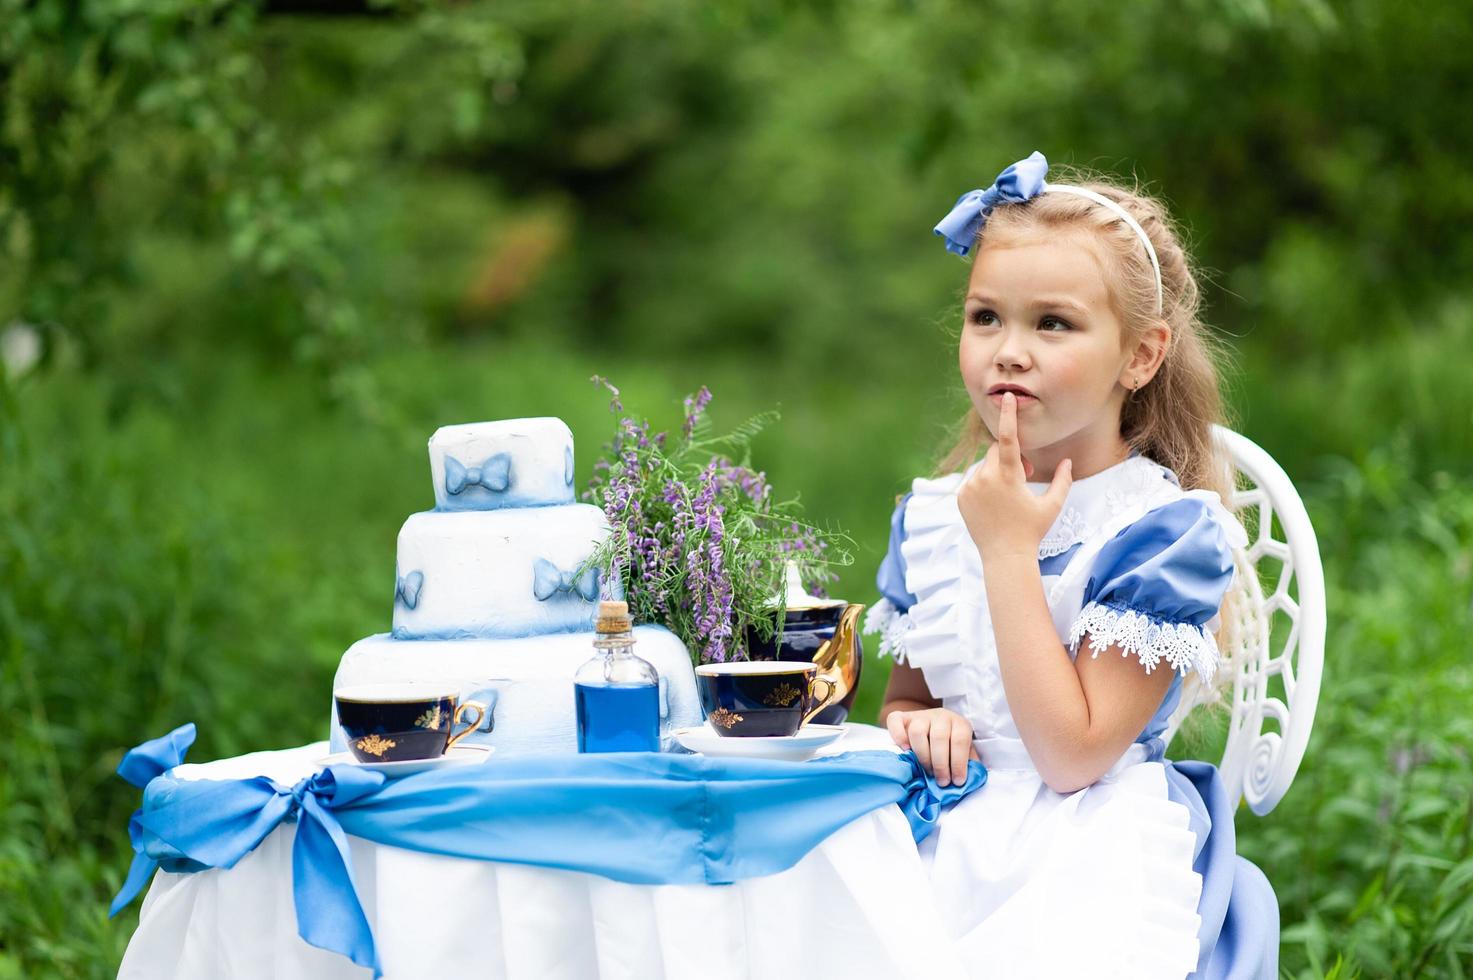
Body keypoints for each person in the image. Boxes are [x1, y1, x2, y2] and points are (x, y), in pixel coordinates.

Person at [864, 152, 1279, 979]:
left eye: (1051, 324)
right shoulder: (936, 514)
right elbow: (908, 697)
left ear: (1140, 356)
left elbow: (1071, 756)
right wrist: (916, 723)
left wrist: (1008, 551)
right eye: (985, 317)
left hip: (1086, 842)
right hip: (947, 827)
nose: (1007, 351)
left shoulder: (1158, 532)